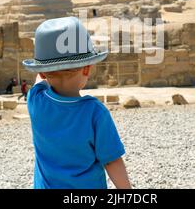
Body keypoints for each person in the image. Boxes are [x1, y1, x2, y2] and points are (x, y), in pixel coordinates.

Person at [23, 17, 131, 189]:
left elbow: (39, 80)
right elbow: (112, 162)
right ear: (87, 68)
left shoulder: (35, 100)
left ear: (42, 73)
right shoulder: (94, 112)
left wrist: (46, 62)